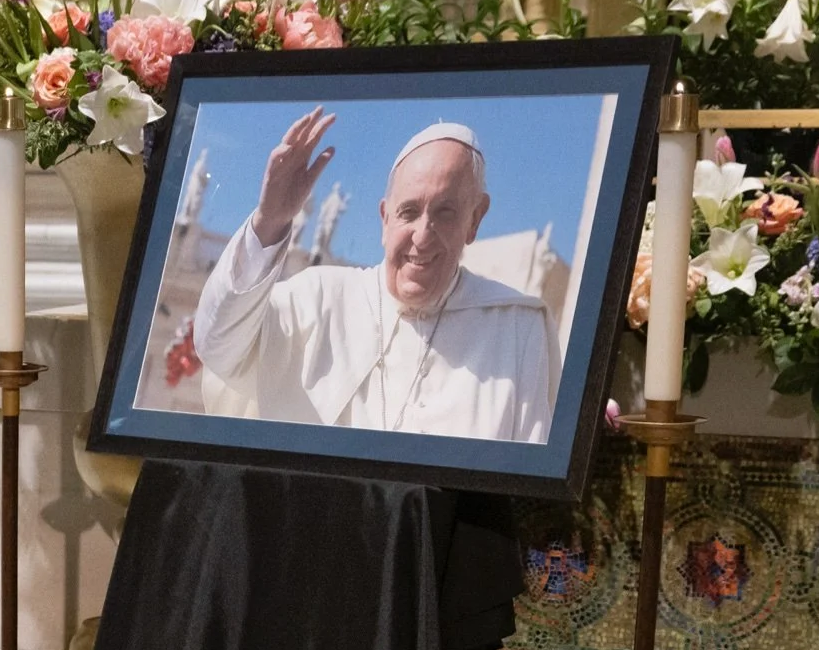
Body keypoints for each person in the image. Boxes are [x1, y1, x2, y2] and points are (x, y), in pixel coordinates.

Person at [194, 111, 554, 444]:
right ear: (384, 219)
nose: (423, 236)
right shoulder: (317, 298)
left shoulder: (518, 329)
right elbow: (218, 345)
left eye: (445, 213)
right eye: (408, 212)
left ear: (474, 220)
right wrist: (270, 221)